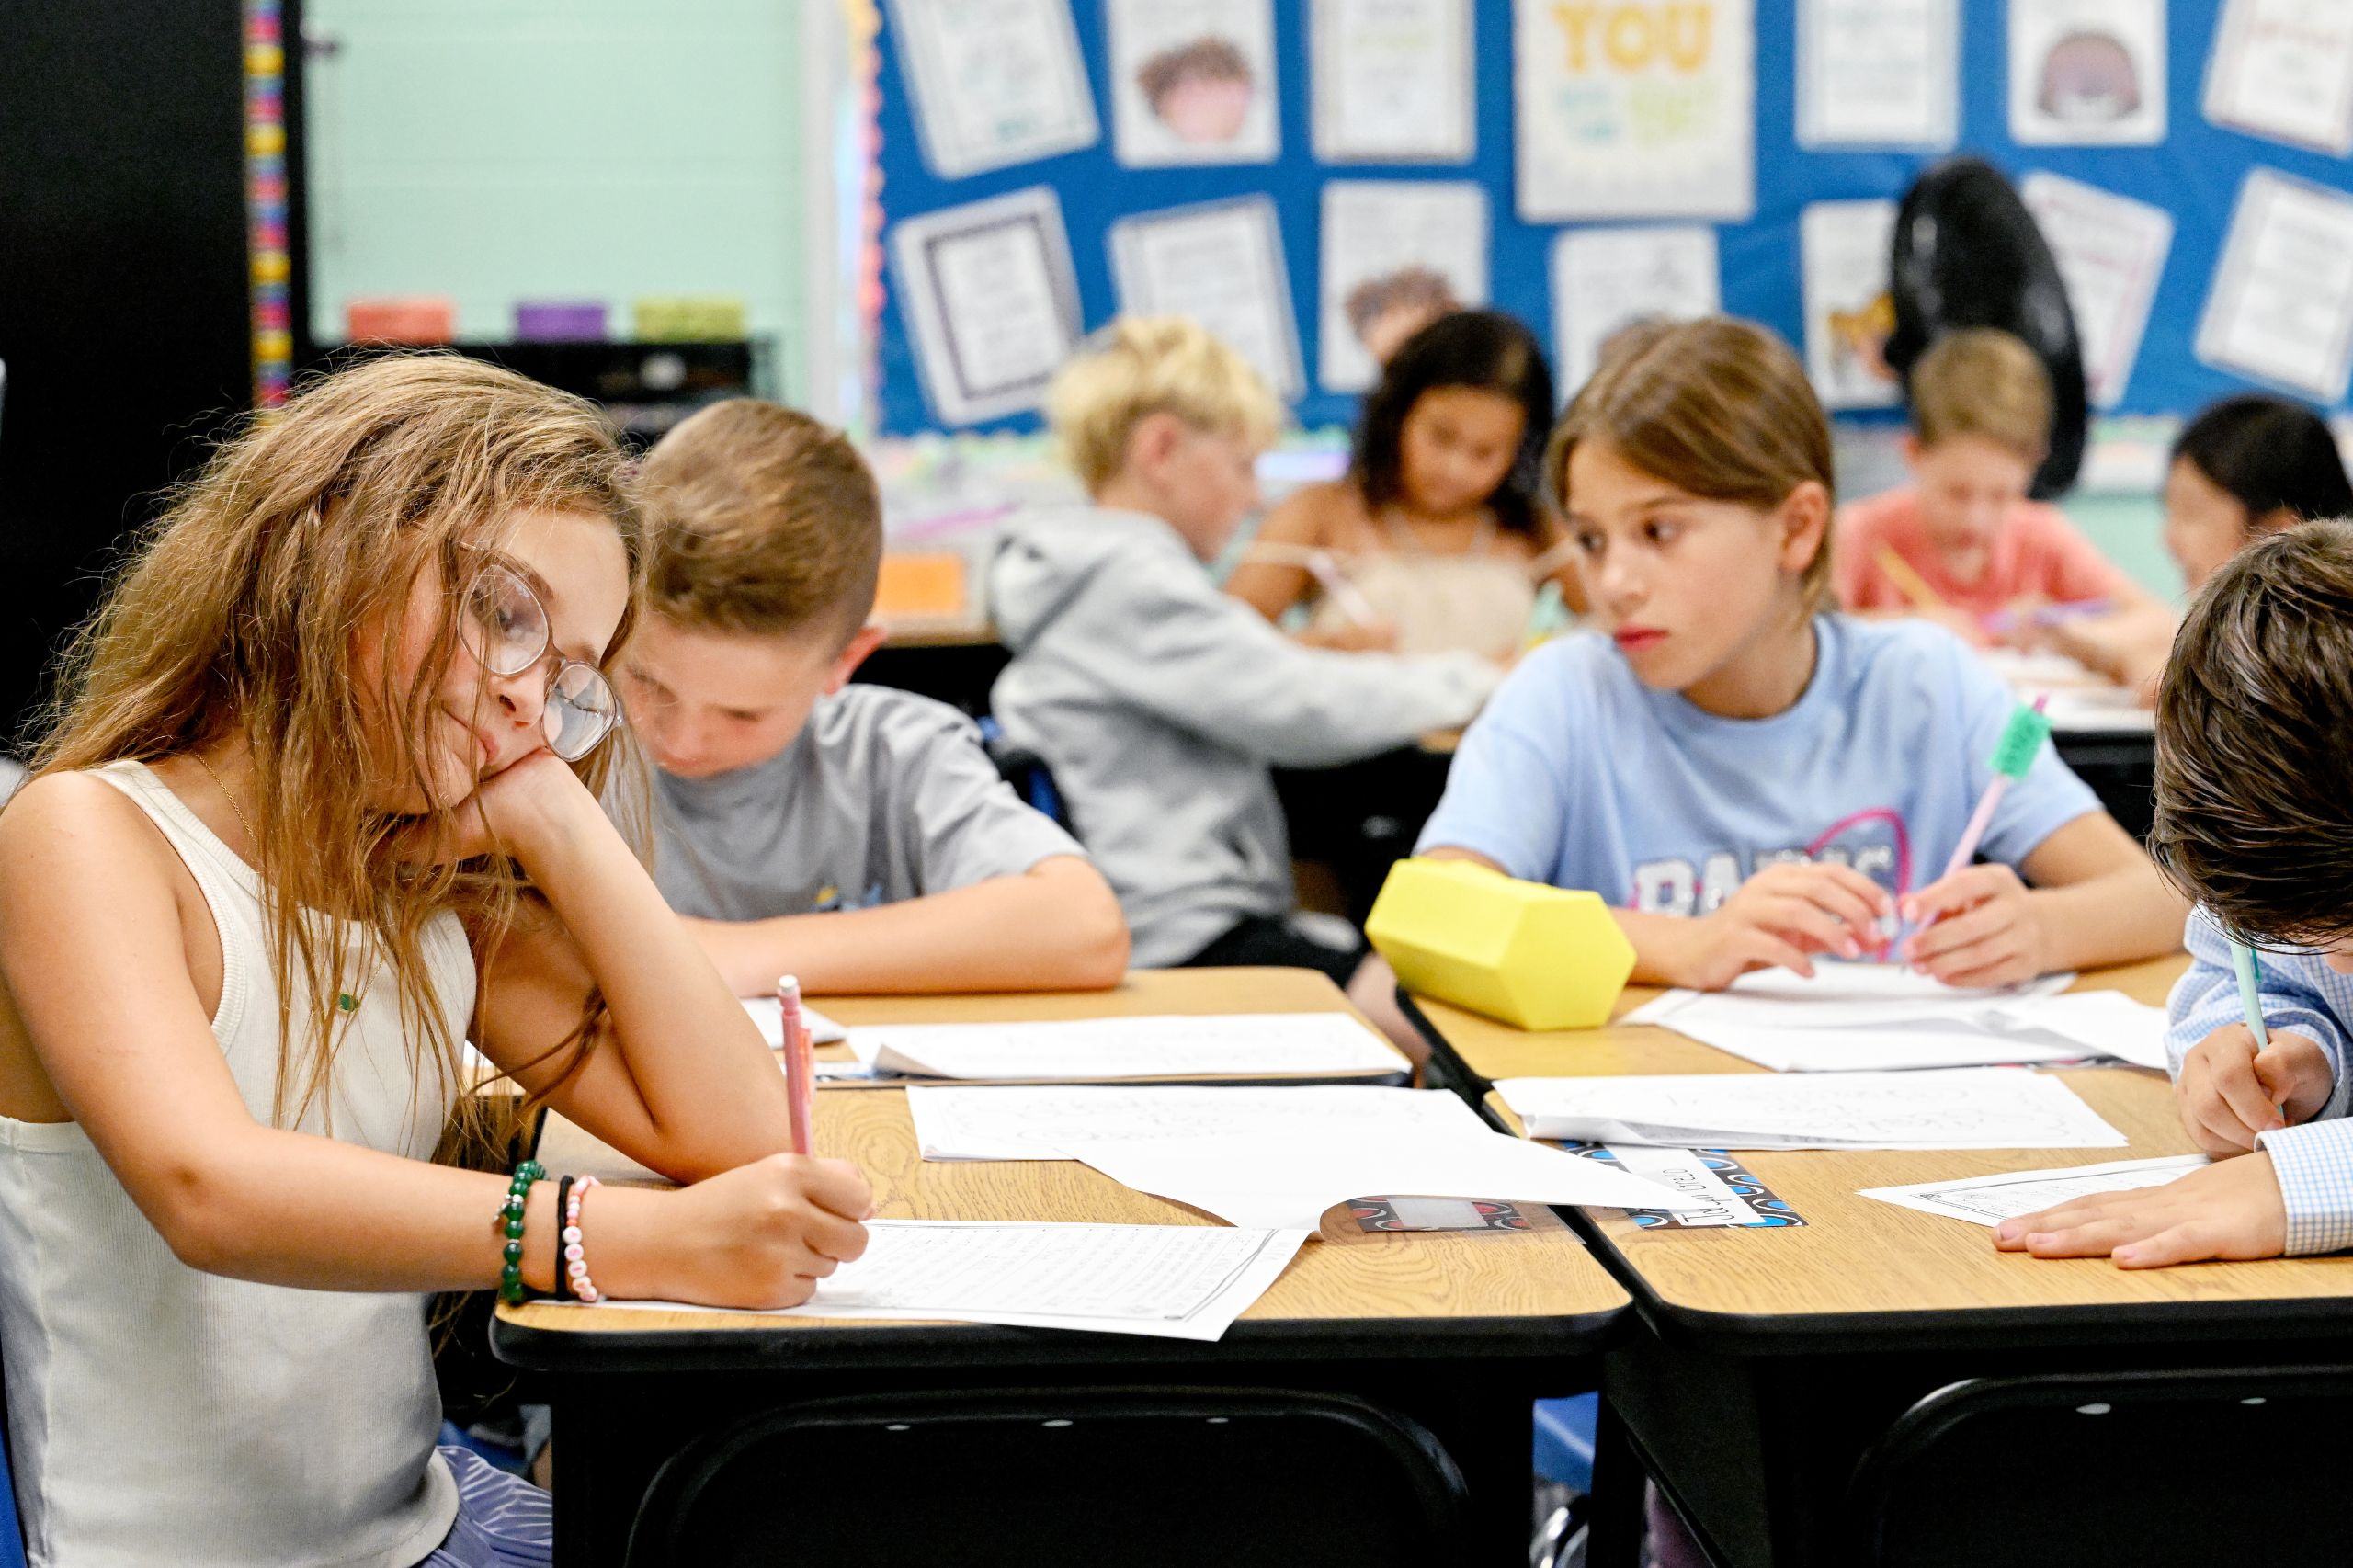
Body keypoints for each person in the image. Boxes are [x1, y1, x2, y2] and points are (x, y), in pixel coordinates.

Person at [0, 357, 871, 1565]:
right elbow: (213, 1189)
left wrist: (558, 819)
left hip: (422, 1525)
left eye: (570, 678)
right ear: (329, 540)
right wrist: (613, 1239)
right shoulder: (90, 833)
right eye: (508, 617)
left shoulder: (428, 886)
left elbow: (746, 1136)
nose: (529, 700)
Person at [1415, 316, 2186, 993]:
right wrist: (1689, 944)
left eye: (1658, 531)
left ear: (1796, 528)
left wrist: (2041, 929)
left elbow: (2162, 899)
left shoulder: (1926, 681)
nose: (1613, 582)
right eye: (1590, 539)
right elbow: (1437, 910)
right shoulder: (1566, 691)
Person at [989, 317, 1499, 1051]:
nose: (1253, 497)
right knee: (1442, 1030)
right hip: (1181, 937)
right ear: (1161, 449)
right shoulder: (1132, 579)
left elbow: (1257, 674)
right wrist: (1485, 678)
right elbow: (1303, 707)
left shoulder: (1091, 575)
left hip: (1163, 915)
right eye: (1240, 464)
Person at [620, 398, 1128, 995]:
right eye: (647, 682)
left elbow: (1086, 927)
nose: (681, 738)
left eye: (743, 714)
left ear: (845, 661)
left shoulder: (892, 753)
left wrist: (746, 956)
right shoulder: (562, 746)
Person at [1999, 520, 2353, 1267]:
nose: (2339, 964)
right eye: (2309, 938)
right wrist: (2296, 1055)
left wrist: (2305, 1186)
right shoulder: (2267, 851)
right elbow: (2232, 976)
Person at [1225, 311, 1571, 664]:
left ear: (1521, 451)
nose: (1455, 469)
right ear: (1398, 414)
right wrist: (1321, 648)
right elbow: (1218, 649)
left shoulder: (1537, 533)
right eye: (1441, 436)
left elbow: (1615, 628)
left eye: (1485, 452)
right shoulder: (1321, 513)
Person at [1835, 327, 2164, 646]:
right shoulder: (1859, 534)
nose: (1975, 519)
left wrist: (2068, 632)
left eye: (2001, 496)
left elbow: (2160, 624)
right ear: (1913, 453)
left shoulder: (2040, 537)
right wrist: (1901, 629)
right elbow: (1805, 636)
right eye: (1956, 492)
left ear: (2035, 463)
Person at [2050, 393, 2353, 693]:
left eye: (2192, 513)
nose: (2169, 538)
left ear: (2278, 534)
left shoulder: (2324, 649)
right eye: (2171, 511)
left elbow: (2203, 695)